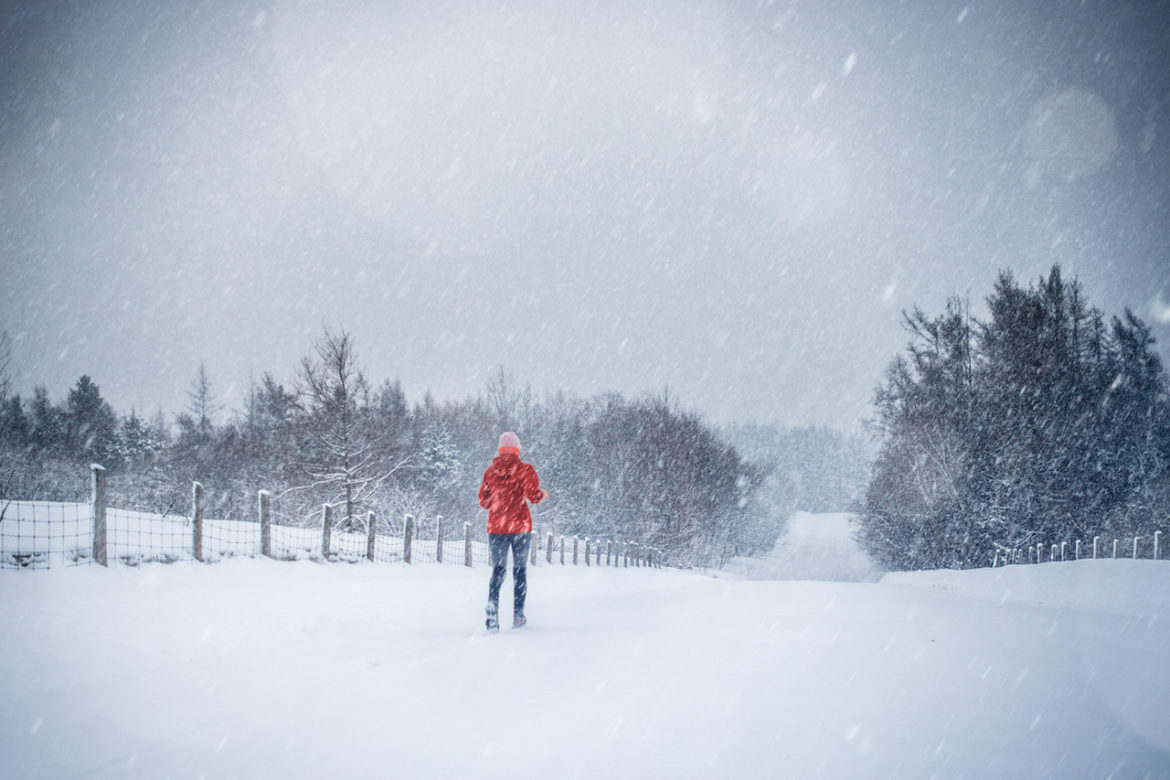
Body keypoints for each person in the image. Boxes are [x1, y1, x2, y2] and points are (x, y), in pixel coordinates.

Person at [478, 431, 547, 632]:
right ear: (518, 450)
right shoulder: (525, 470)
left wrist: (499, 500)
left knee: (498, 570)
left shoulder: (490, 473)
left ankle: (492, 610)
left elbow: (484, 502)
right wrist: (543, 494)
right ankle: (518, 616)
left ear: (500, 450)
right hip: (520, 527)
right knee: (520, 571)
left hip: (497, 527)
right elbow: (533, 496)